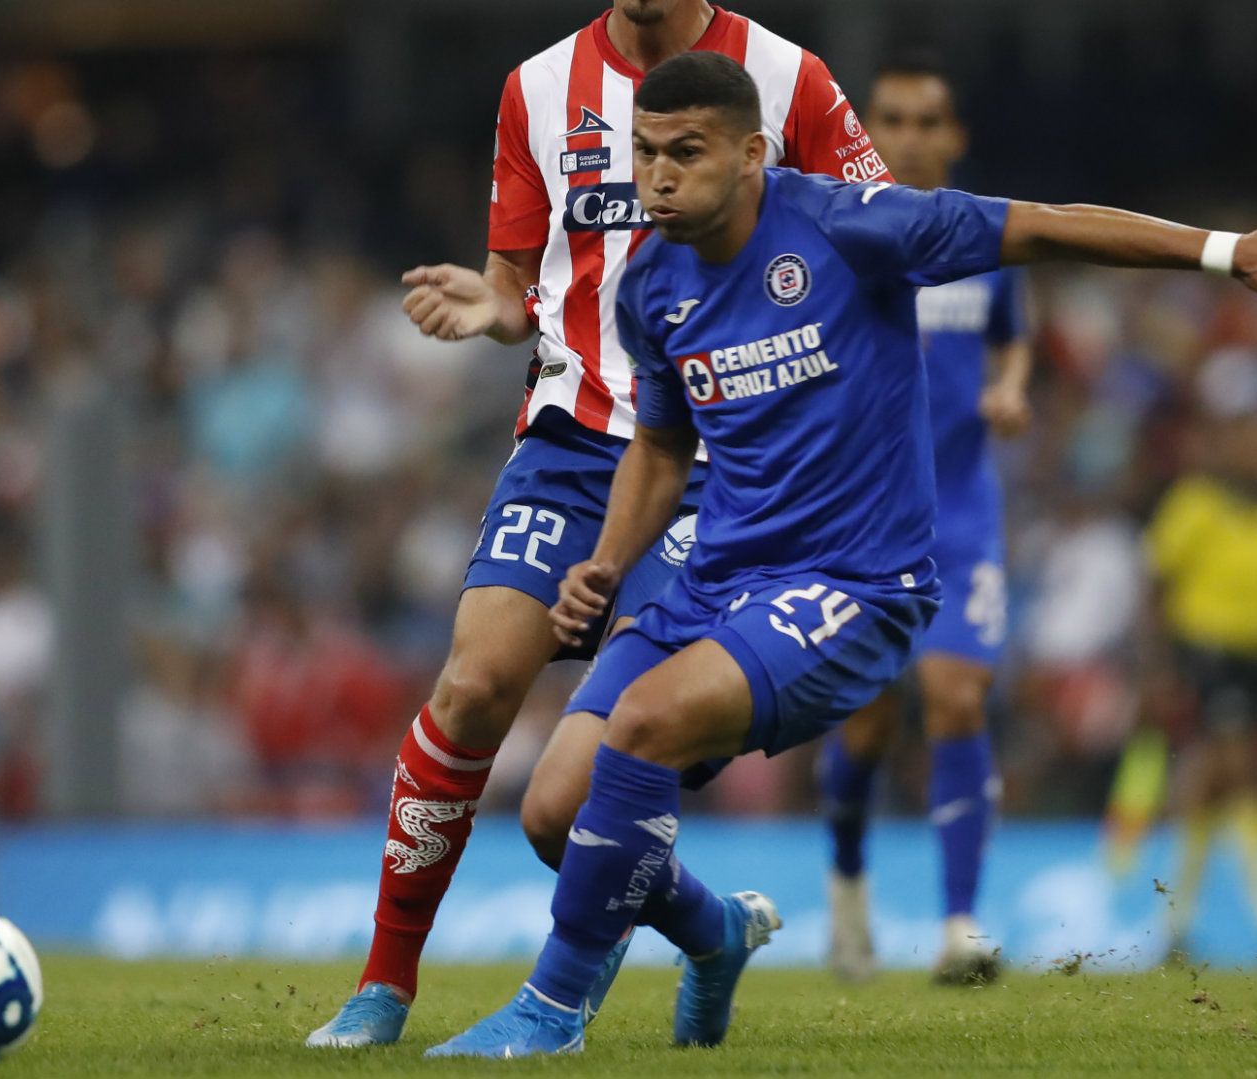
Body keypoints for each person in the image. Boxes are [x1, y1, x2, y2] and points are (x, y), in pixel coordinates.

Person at [430, 51, 1257, 1059]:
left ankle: (552, 1011)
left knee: (644, 724)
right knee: (558, 809)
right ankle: (716, 931)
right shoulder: (649, 284)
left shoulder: (855, 226)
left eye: (685, 152)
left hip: (858, 586)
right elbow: (660, 445)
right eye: (645, 152)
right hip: (717, 580)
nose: (657, 176)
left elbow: (1041, 225)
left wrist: (1227, 252)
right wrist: (608, 562)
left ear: (751, 154)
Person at [309, 0, 886, 1049]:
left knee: (568, 796)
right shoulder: (535, 89)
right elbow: (514, 281)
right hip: (572, 439)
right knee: (474, 683)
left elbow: (879, 227)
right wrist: (492, 311)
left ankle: (630, 964)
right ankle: (385, 985)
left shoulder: (786, 75)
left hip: (719, 460)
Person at [813, 54, 1031, 987]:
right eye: (891, 119)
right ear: (868, 131)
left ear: (955, 137)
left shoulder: (982, 237)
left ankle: (960, 925)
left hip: (964, 510)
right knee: (863, 728)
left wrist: (1011, 388)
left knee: (956, 697)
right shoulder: (835, 235)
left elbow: (1012, 335)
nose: (908, 137)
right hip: (861, 516)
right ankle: (848, 890)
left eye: (926, 121)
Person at [1141, 353, 1257, 963]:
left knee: (1220, 787)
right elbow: (1155, 587)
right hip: (1207, 654)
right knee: (1238, 769)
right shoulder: (1196, 502)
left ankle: (1173, 927)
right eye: (1248, 432)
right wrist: (1160, 669)